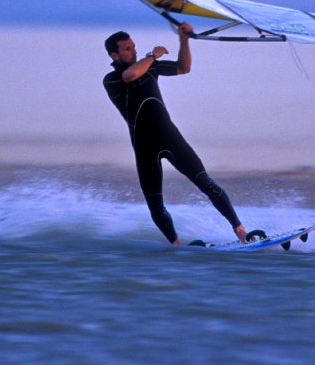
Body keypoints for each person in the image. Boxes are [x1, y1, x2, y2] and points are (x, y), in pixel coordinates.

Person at [103, 23, 248, 245]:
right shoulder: (111, 79)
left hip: (170, 137)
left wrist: (184, 40)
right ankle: (177, 246)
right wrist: (153, 54)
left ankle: (240, 231)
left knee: (206, 183)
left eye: (134, 47)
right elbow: (130, 76)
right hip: (144, 147)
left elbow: (184, 68)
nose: (133, 51)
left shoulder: (150, 67)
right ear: (115, 54)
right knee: (155, 204)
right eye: (127, 49)